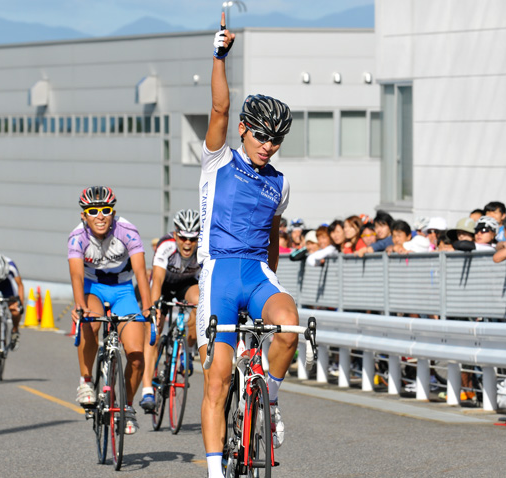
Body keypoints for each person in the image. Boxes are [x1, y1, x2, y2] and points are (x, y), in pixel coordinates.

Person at [198, 17, 298, 478]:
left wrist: (272, 282)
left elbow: (273, 237)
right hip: (219, 271)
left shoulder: (280, 183)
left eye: (276, 139)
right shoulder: (220, 159)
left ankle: (270, 398)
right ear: (243, 130)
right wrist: (220, 56)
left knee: (291, 324)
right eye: (261, 135)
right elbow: (219, 108)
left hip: (257, 272)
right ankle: (217, 470)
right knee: (217, 380)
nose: (268, 146)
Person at [68, 186, 153, 436]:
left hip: (123, 290)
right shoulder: (77, 237)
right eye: (93, 211)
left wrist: (147, 307)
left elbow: (140, 271)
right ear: (84, 216)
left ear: (113, 212)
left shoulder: (127, 231)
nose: (100, 216)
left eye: (106, 210)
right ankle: (86, 382)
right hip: (92, 287)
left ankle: (125, 407)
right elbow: (75, 274)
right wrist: (79, 304)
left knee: (136, 356)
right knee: (90, 321)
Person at [139, 209, 202, 412]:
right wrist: (155, 310)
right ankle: (147, 388)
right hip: (164, 285)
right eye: (183, 237)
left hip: (187, 284)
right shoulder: (165, 246)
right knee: (154, 332)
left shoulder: (203, 249)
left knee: (200, 305)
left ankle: (188, 350)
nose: (187, 243)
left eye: (192, 239)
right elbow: (156, 280)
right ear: (176, 235)